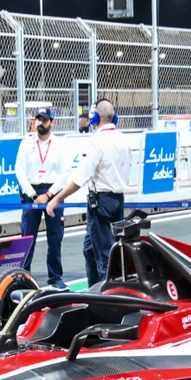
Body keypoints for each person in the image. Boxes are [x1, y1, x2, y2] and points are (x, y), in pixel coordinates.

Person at [47, 98, 128, 285]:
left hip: (100, 203)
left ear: (94, 118)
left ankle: (107, 297)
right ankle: (94, 290)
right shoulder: (123, 139)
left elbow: (78, 179)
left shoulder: (95, 142)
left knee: (104, 259)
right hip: (117, 200)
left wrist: (57, 199)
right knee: (90, 249)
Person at [14, 106, 69, 288]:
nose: (40, 123)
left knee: (55, 238)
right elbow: (19, 171)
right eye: (38, 119)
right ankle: (23, 279)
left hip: (53, 193)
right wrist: (32, 194)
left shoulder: (59, 144)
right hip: (31, 193)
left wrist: (48, 195)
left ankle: (55, 278)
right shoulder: (26, 144)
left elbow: (65, 174)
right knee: (27, 238)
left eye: (44, 120)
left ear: (52, 122)